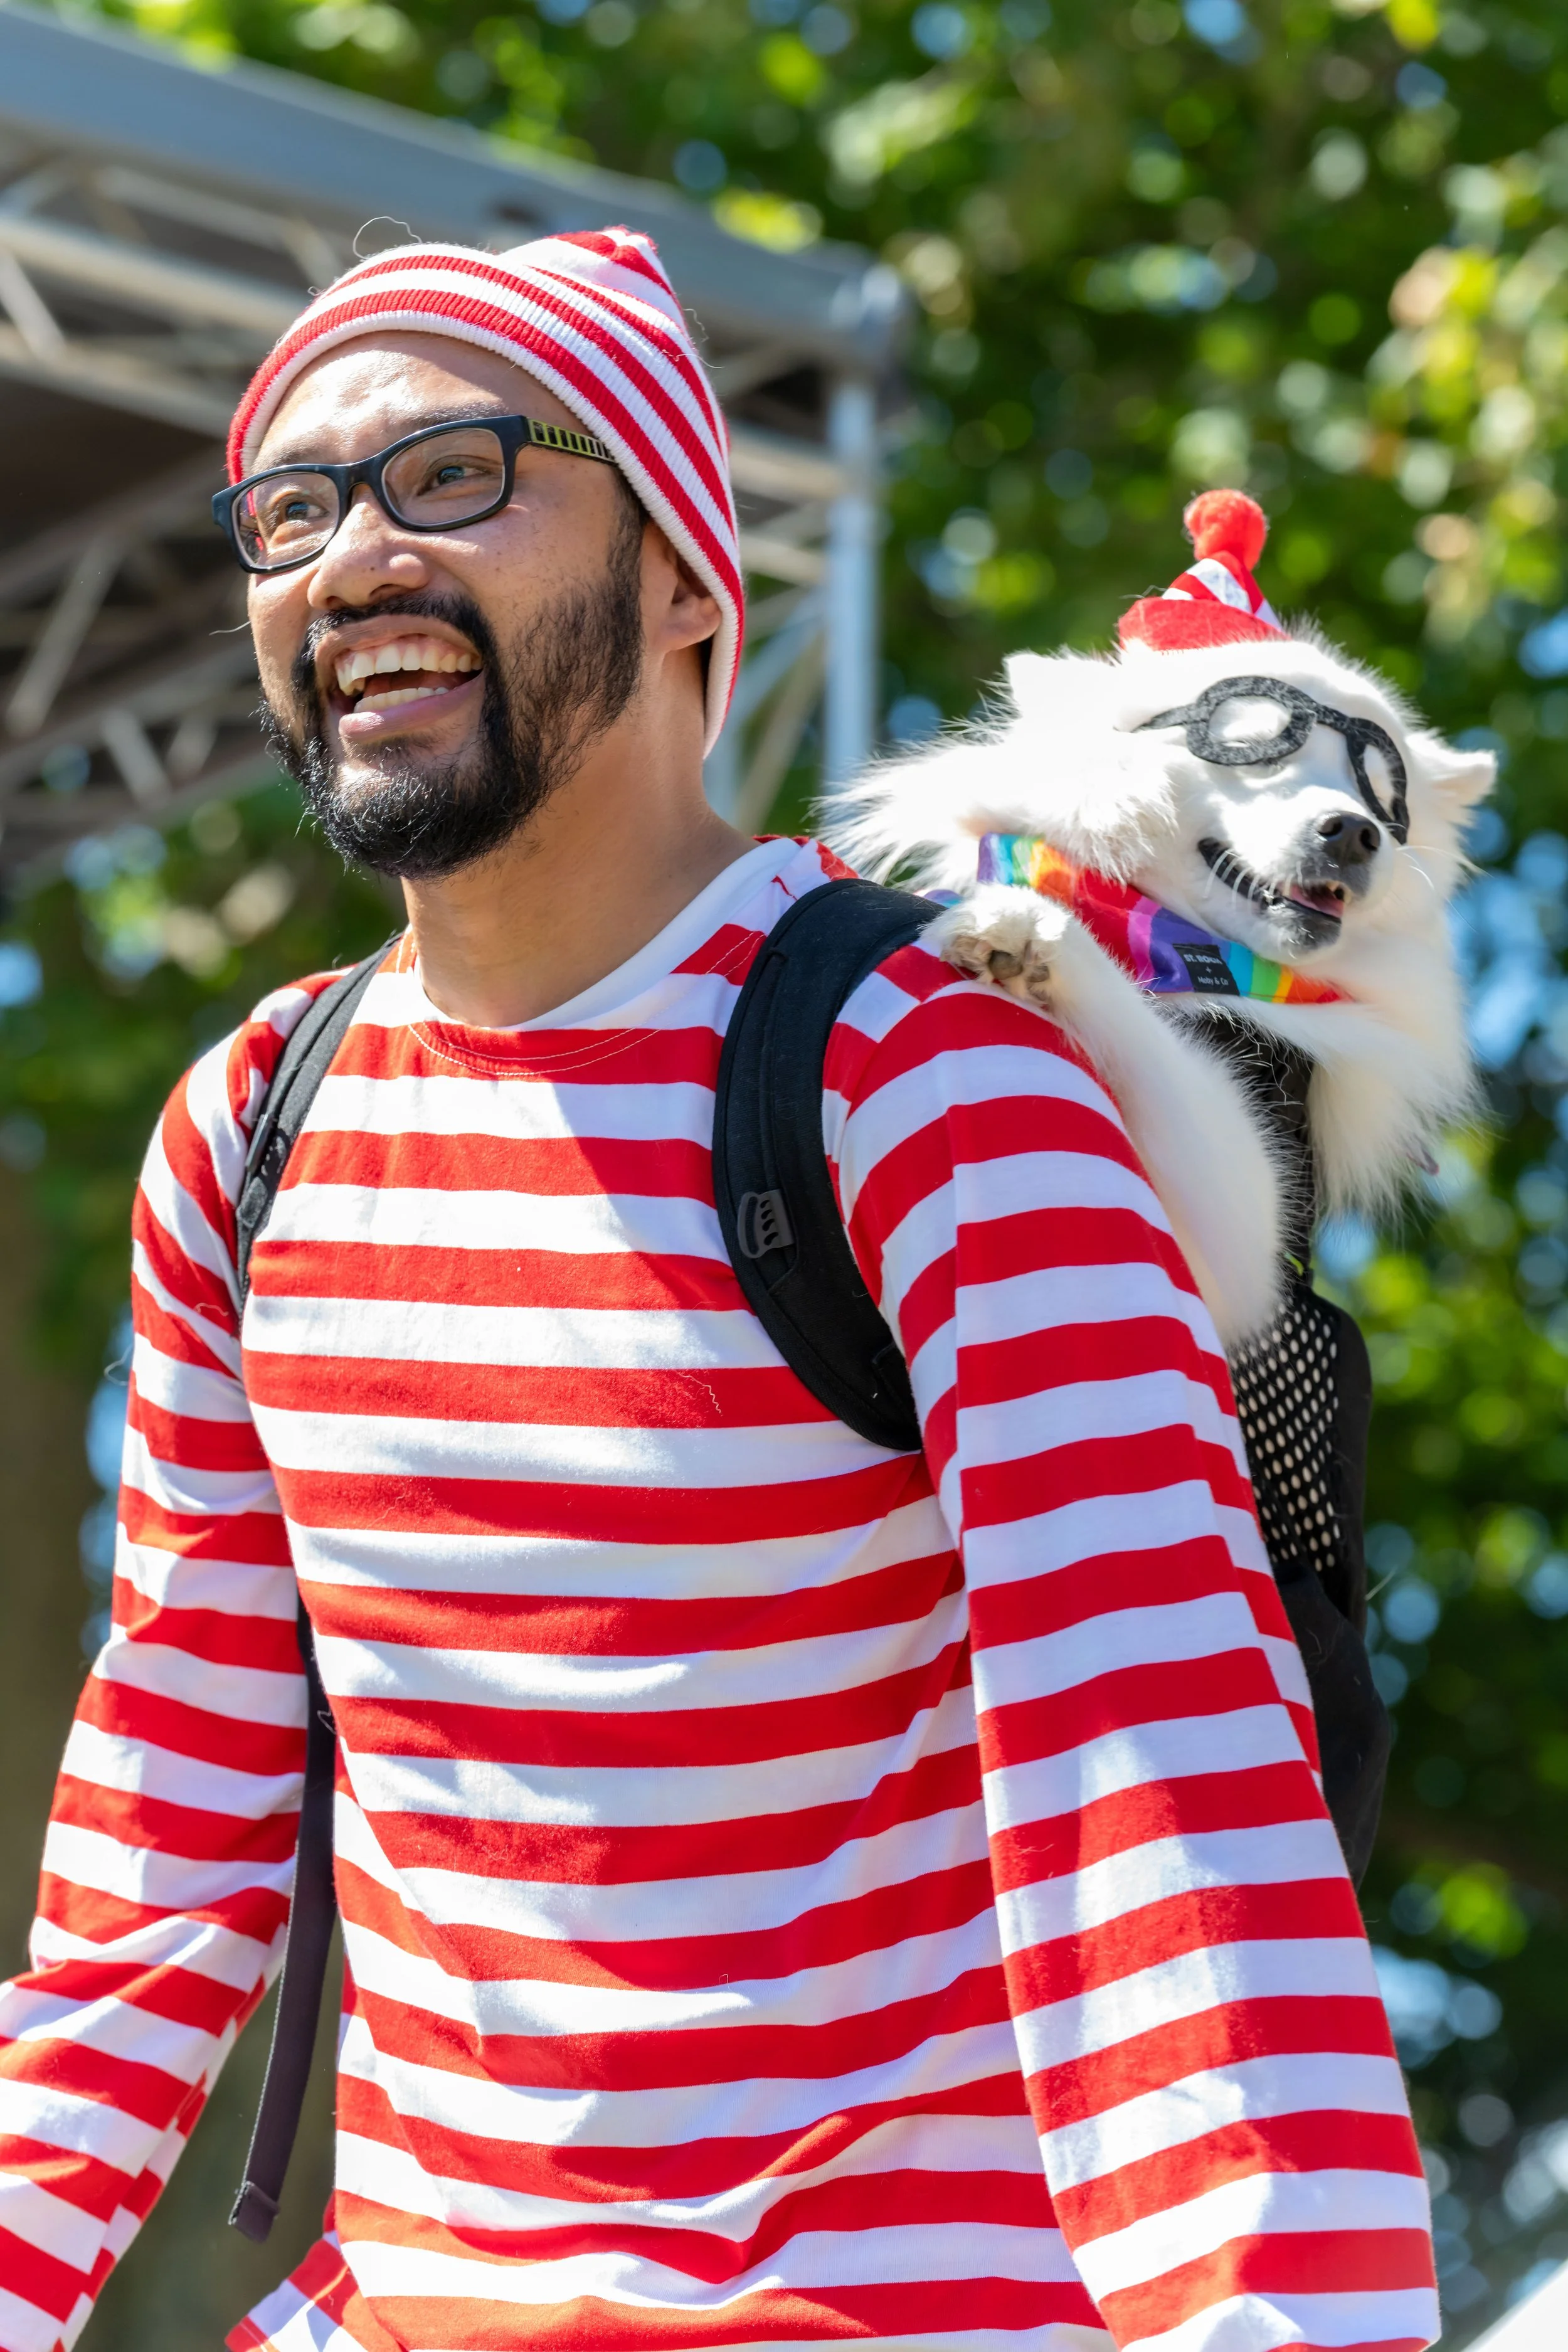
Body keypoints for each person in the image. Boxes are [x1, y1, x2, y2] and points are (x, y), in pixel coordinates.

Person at [0, 228, 1436, 2352]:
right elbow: (166, 1842)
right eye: (289, 510)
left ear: (686, 576)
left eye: (453, 474)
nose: (352, 557)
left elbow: (1158, 1778)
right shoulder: (250, 1126)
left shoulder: (928, 1078)